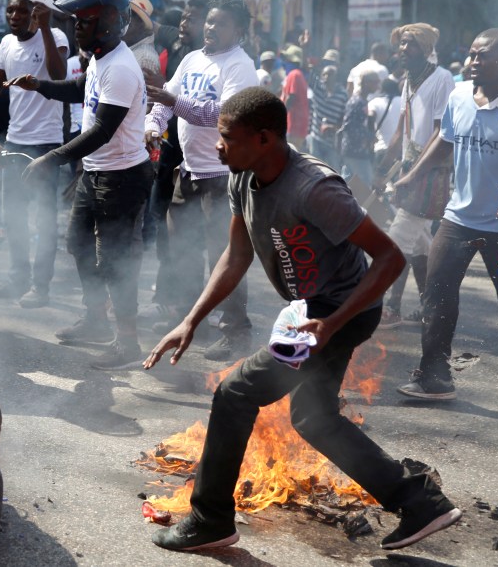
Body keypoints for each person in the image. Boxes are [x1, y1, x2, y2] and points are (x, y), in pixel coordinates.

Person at [144, 87, 462, 553]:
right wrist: (191, 319)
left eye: (228, 137)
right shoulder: (243, 176)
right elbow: (236, 256)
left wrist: (332, 324)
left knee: (234, 394)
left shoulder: (316, 188)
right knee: (313, 417)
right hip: (311, 314)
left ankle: (210, 520)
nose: (218, 146)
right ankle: (420, 501)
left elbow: (390, 259)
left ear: (265, 138)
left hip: (341, 312)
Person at [395, 28, 498, 406]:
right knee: (436, 294)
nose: (473, 62)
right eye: (471, 55)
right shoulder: (458, 96)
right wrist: (413, 174)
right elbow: (444, 142)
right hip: (458, 219)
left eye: (481, 56)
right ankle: (434, 377)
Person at [5, 0, 153, 369]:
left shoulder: (120, 67)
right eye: (75, 23)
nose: (75, 31)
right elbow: (78, 89)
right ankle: (95, 320)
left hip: (121, 177)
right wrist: (39, 85)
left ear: (106, 24)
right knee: (78, 244)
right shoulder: (100, 59)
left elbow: (102, 130)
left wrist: (50, 159)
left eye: (83, 23)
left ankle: (128, 343)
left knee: (116, 261)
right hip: (96, 172)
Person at [144, 0, 259, 360]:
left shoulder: (240, 66)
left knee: (224, 256)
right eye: (209, 21)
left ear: (239, 30)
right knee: (182, 249)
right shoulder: (192, 59)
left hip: (223, 177)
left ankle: (235, 330)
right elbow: (166, 99)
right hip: (188, 172)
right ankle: (193, 320)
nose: (211, 27)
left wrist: (171, 103)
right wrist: (153, 125)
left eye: (221, 23)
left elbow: (225, 115)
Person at [0, 0, 68, 308]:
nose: (14, 15)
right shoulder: (6, 44)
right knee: (13, 216)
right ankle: (18, 279)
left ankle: (40, 288)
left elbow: (57, 76)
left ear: (35, 14)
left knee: (44, 219)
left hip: (46, 142)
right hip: (15, 140)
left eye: (22, 10)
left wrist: (45, 28)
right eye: (10, 9)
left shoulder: (54, 36)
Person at [375, 23, 455, 328]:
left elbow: (441, 133)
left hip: (431, 173)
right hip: (410, 173)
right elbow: (400, 131)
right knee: (421, 246)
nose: (403, 50)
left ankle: (388, 308)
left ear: (425, 49)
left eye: (410, 44)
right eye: (401, 44)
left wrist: (413, 173)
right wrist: (383, 170)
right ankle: (430, 307)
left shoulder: (442, 79)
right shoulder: (409, 81)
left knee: (395, 244)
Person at [338, 68, 381, 186]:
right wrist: (369, 136)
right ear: (366, 83)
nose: (378, 86)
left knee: (347, 183)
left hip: (352, 149)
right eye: (375, 82)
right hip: (355, 150)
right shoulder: (357, 102)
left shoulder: (361, 101)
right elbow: (350, 126)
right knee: (365, 183)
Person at [308, 64, 347, 170]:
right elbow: (309, 72)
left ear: (336, 78)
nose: (326, 77)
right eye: (324, 74)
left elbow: (344, 119)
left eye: (329, 74)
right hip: (315, 137)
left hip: (332, 142)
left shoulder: (343, 95)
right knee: (315, 168)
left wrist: (332, 127)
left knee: (332, 170)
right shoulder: (318, 87)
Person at [279, 44, 309, 151]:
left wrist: (279, 117)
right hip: (297, 125)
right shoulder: (298, 74)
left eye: (286, 59)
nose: (284, 62)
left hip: (294, 125)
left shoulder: (294, 74)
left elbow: (291, 98)